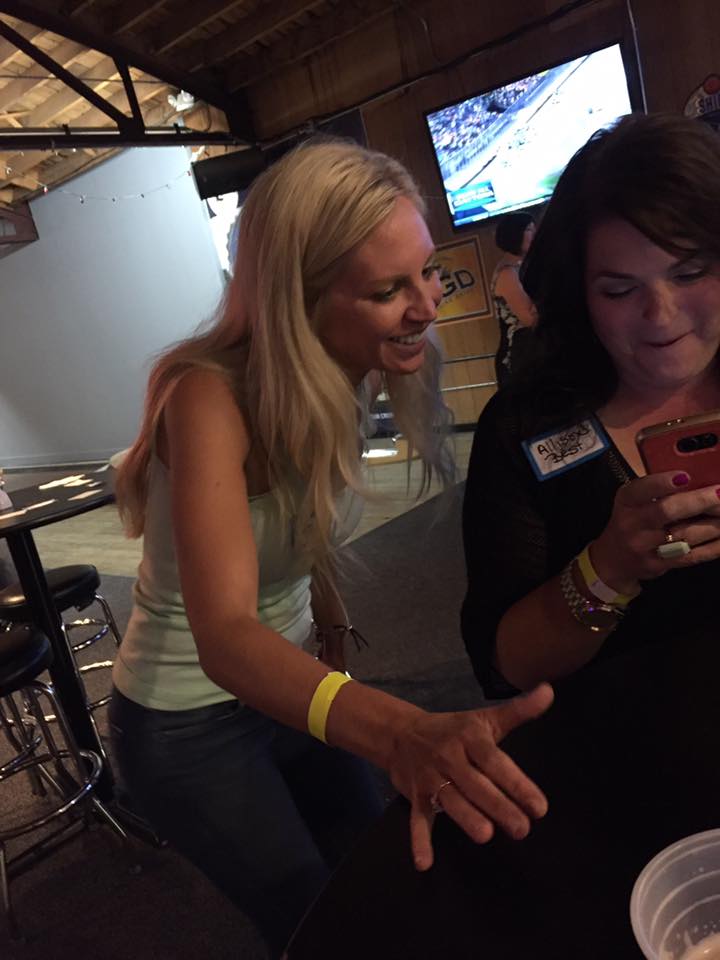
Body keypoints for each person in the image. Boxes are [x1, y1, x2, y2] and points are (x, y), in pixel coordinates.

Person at [109, 139, 553, 957]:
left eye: (427, 273)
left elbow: (297, 518)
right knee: (319, 923)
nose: (426, 305)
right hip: (184, 723)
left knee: (381, 874)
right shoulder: (207, 393)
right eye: (388, 290)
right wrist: (401, 729)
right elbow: (223, 636)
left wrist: (330, 620)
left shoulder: (345, 366)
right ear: (297, 300)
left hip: (290, 682)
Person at [461, 112, 720, 700]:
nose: (661, 316)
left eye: (690, 273)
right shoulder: (524, 426)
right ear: (579, 292)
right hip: (626, 743)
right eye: (619, 289)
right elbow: (505, 666)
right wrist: (608, 569)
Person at [491, 211, 537, 386]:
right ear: (515, 235)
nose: (535, 234)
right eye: (529, 230)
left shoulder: (522, 267)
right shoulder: (507, 273)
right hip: (517, 355)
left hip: (530, 350)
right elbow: (530, 319)